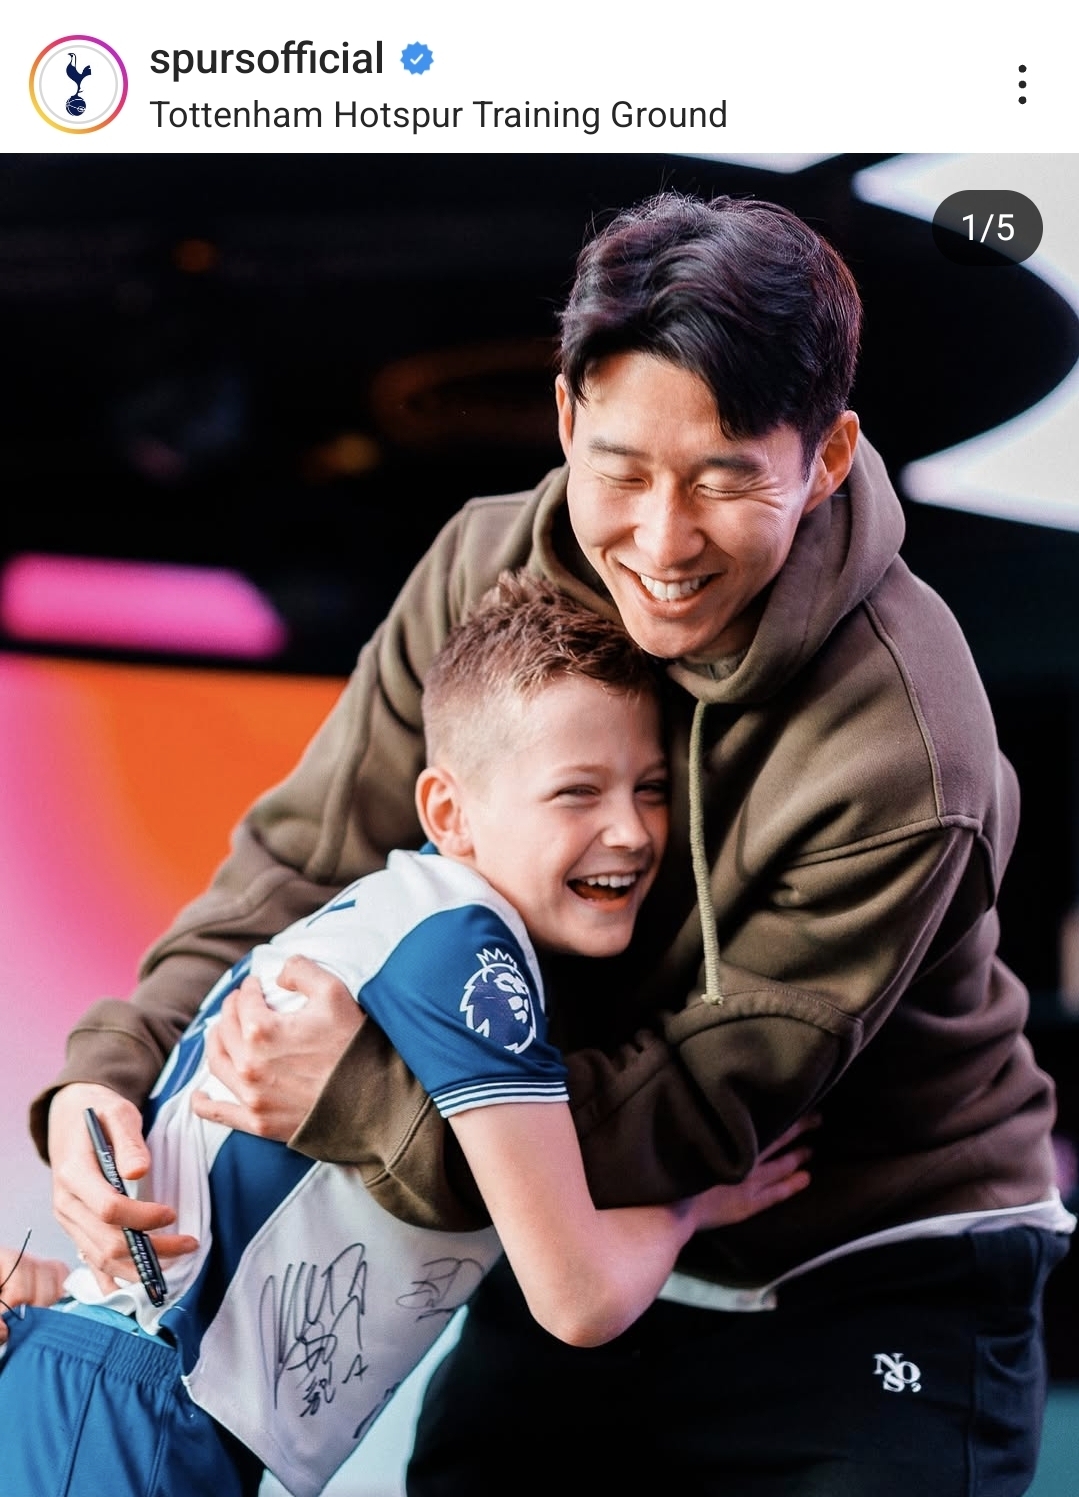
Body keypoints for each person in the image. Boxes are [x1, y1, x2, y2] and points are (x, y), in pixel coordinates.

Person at [35, 192, 1073, 1495]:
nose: (662, 539)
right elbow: (300, 869)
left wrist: (359, 1100)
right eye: (623, 471)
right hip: (566, 1246)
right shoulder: (479, 567)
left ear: (823, 458)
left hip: (864, 1268)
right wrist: (111, 1077)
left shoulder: (902, 753)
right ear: (568, 418)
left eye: (723, 479)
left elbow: (692, 1115)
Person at [1, 573, 812, 1497]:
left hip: (111, 1401)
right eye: (576, 793)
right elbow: (579, 1298)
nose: (628, 830)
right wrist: (687, 1206)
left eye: (652, 788)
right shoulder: (466, 949)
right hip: (128, 1412)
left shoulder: (395, 916)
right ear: (448, 814)